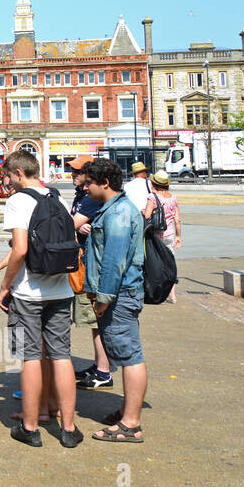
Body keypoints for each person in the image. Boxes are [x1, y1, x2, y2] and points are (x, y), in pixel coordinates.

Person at [0, 151, 81, 448]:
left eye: (6, 176)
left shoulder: (18, 201)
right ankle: (68, 428)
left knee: (30, 357)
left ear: (18, 173)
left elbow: (19, 249)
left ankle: (30, 427)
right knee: (61, 356)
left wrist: (6, 285)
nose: (5, 182)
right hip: (60, 289)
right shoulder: (57, 197)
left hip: (29, 291)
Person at [83, 158, 148, 442]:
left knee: (130, 356)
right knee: (125, 353)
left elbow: (114, 260)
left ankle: (131, 424)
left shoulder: (119, 212)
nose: (85, 188)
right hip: (119, 294)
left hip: (120, 295)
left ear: (104, 183)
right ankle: (127, 411)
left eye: (89, 183)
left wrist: (104, 298)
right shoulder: (112, 209)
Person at [65, 156, 112, 390]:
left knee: (95, 319)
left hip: (89, 264)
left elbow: (73, 223)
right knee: (93, 322)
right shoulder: (81, 195)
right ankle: (99, 366)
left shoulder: (91, 198)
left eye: (77, 171)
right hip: (84, 260)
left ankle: (103, 371)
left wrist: (76, 225)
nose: (73, 174)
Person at [150, 171, 181, 303]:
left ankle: (159, 294)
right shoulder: (173, 198)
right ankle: (172, 295)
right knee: (170, 264)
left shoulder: (152, 198)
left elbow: (147, 215)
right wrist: (178, 236)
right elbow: (177, 219)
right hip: (169, 235)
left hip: (156, 236)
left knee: (157, 265)